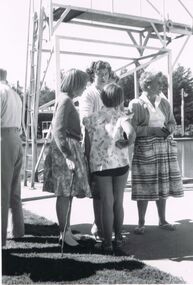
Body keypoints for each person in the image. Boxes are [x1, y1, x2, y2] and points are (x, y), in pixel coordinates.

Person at [128, 70, 184, 235]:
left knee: (163, 185)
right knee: (144, 186)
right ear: (147, 84)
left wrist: (170, 128)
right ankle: (141, 223)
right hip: (145, 149)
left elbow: (172, 122)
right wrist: (153, 131)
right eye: (158, 83)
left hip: (164, 149)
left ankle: (162, 220)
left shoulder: (164, 102)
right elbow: (132, 130)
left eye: (161, 83)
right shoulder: (136, 104)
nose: (161, 86)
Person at [83, 83, 136, 254]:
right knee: (118, 202)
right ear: (120, 99)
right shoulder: (122, 116)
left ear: (102, 98)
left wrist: (87, 164)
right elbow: (132, 133)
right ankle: (118, 237)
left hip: (99, 165)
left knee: (106, 202)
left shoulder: (91, 119)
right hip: (120, 164)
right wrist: (127, 142)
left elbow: (87, 143)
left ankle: (106, 242)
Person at [43, 69, 91, 247]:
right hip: (66, 149)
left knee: (68, 193)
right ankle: (63, 232)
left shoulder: (66, 99)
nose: (84, 88)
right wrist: (67, 154)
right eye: (83, 85)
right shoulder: (65, 101)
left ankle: (67, 230)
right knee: (64, 193)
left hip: (70, 147)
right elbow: (58, 129)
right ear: (76, 84)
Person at [79, 60, 112, 240]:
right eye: (100, 72)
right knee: (98, 187)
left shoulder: (109, 91)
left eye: (106, 72)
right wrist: (108, 117)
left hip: (109, 145)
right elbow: (86, 120)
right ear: (93, 73)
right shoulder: (89, 93)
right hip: (94, 144)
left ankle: (108, 225)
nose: (103, 75)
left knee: (111, 188)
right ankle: (98, 225)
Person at [1, 68, 24, 246]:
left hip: (4, 137)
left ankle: (1, 238)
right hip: (16, 137)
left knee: (2, 190)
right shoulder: (15, 94)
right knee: (14, 189)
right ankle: (18, 230)